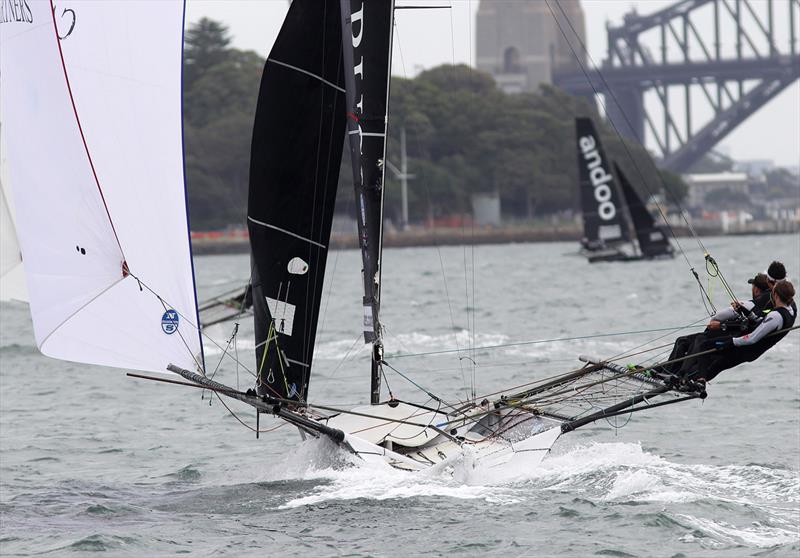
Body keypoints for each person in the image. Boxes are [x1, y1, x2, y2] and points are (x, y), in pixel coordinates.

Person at [683, 279, 796, 383]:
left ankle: (700, 380)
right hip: (750, 351)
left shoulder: (775, 316)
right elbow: (760, 321)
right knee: (718, 364)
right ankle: (695, 381)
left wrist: (732, 341)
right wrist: (744, 310)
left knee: (705, 346)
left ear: (775, 295)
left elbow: (752, 338)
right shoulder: (790, 312)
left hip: (743, 348)